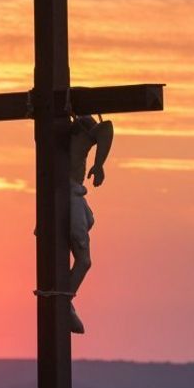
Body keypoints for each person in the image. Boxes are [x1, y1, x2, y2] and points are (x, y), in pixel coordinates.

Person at [68, 115, 113, 334]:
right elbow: (106, 129)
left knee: (89, 219)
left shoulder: (58, 136)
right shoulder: (80, 130)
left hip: (70, 193)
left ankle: (64, 300)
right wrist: (99, 165)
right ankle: (63, 302)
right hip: (68, 195)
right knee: (84, 260)